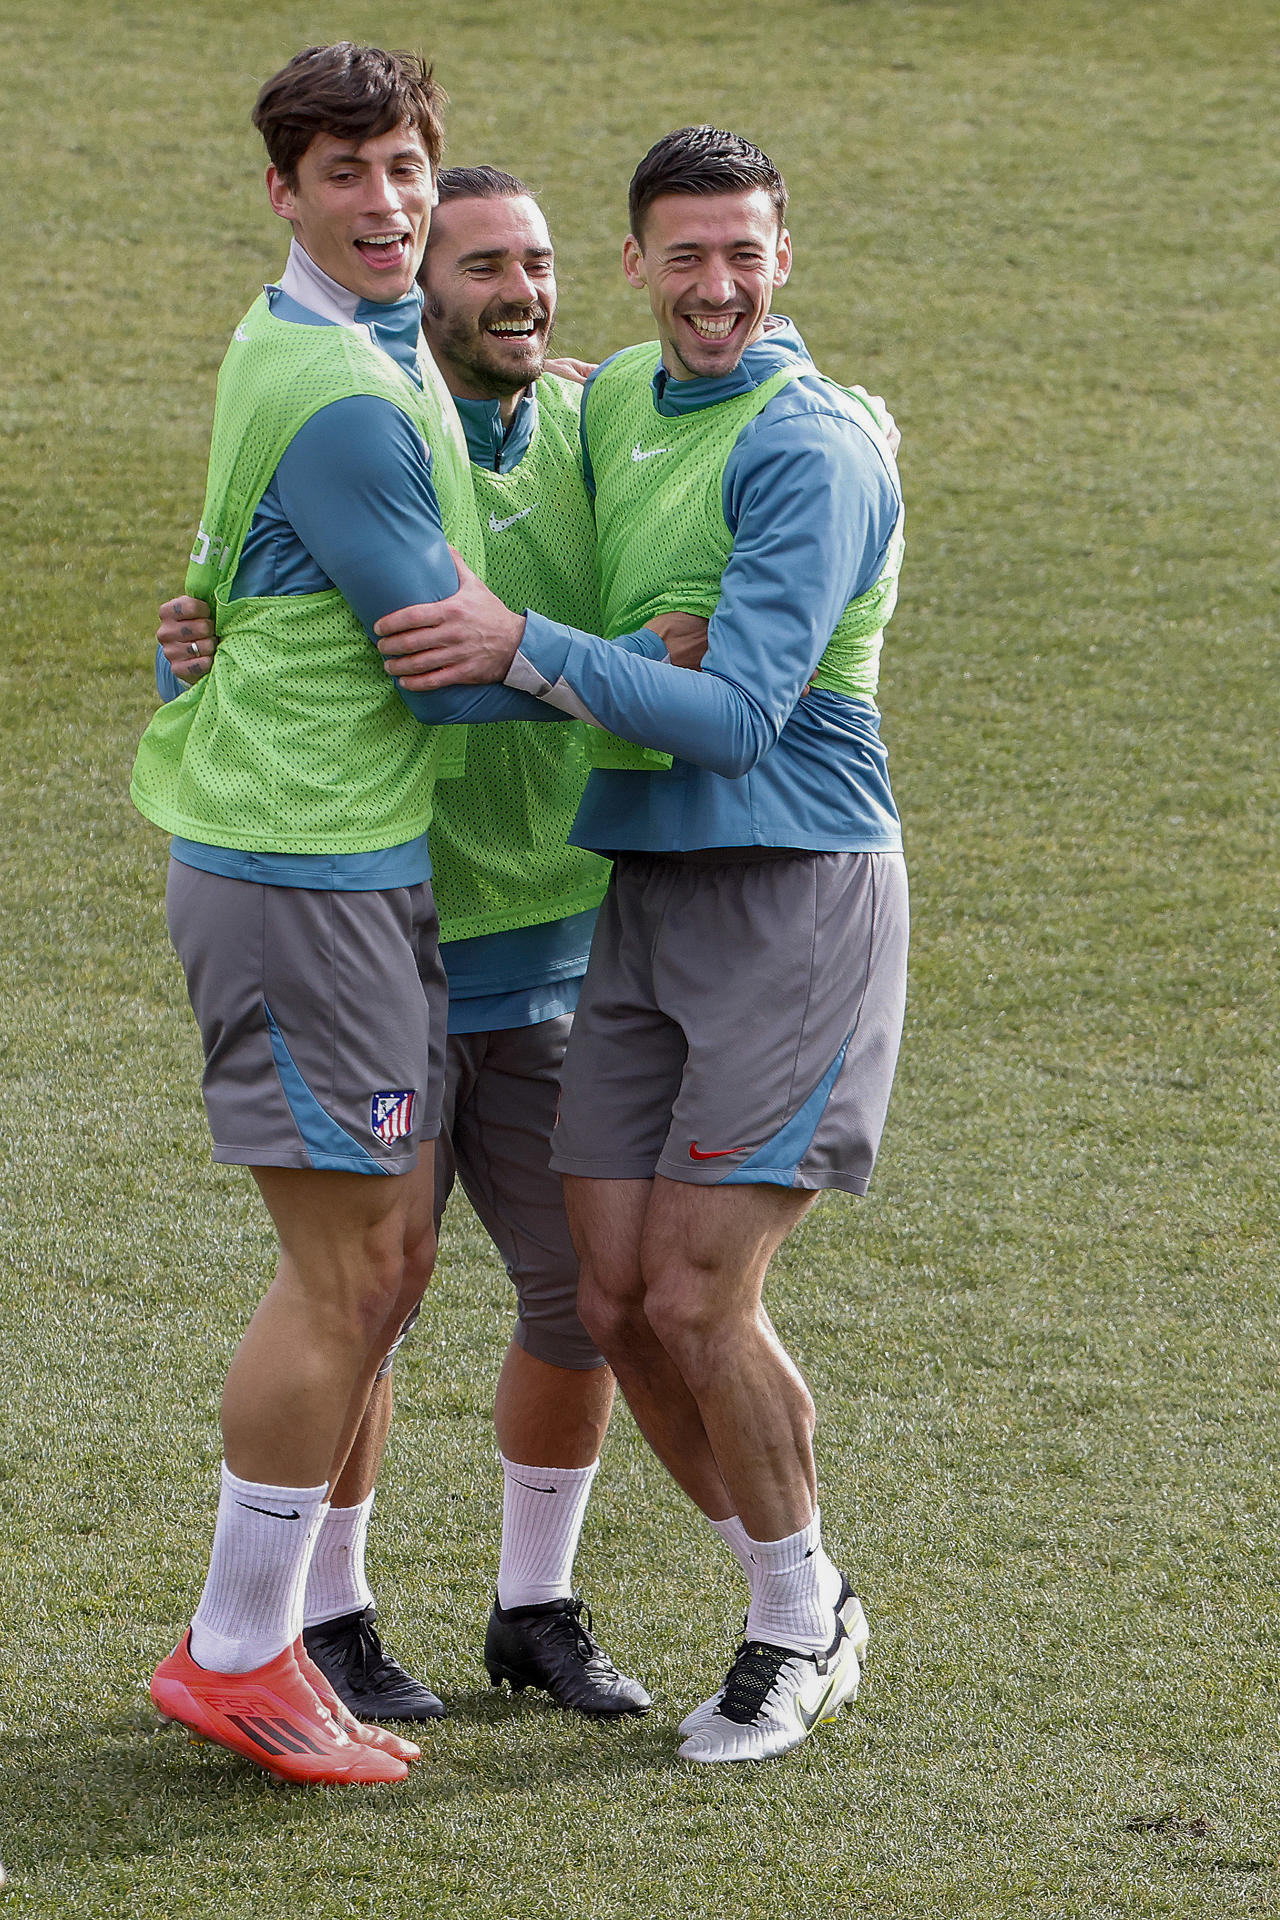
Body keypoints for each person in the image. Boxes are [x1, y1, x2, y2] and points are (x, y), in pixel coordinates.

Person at [373, 125, 909, 1764]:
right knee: (608, 1297)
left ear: (786, 260)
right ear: (637, 267)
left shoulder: (809, 445)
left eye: (744, 252)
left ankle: (791, 1623)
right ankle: (803, 1593)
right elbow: (478, 391)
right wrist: (214, 628)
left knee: (693, 1289)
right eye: (685, 254)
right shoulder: (618, 406)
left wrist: (548, 653)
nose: (717, 284)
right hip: (645, 897)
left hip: (793, 893)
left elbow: (740, 719)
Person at [154, 168, 652, 1719]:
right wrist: (186, 651)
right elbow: (232, 608)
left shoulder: (596, 430)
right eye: (484, 264)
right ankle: (335, 1618)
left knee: (575, 1290)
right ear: (417, 285)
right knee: (370, 1287)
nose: (521, 291)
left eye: (541, 262)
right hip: (380, 920)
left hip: (551, 937)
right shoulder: (363, 422)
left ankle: (536, 1603)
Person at [130, 42, 489, 1786]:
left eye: (405, 169)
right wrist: (668, 672)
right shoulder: (345, 396)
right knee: (344, 1273)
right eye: (343, 174)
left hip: (348, 858)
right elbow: (452, 662)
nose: (384, 204)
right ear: (282, 191)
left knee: (391, 1266)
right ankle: (231, 1651)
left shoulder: (347, 349)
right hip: (298, 869)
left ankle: (307, 1632)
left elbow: (237, 588)